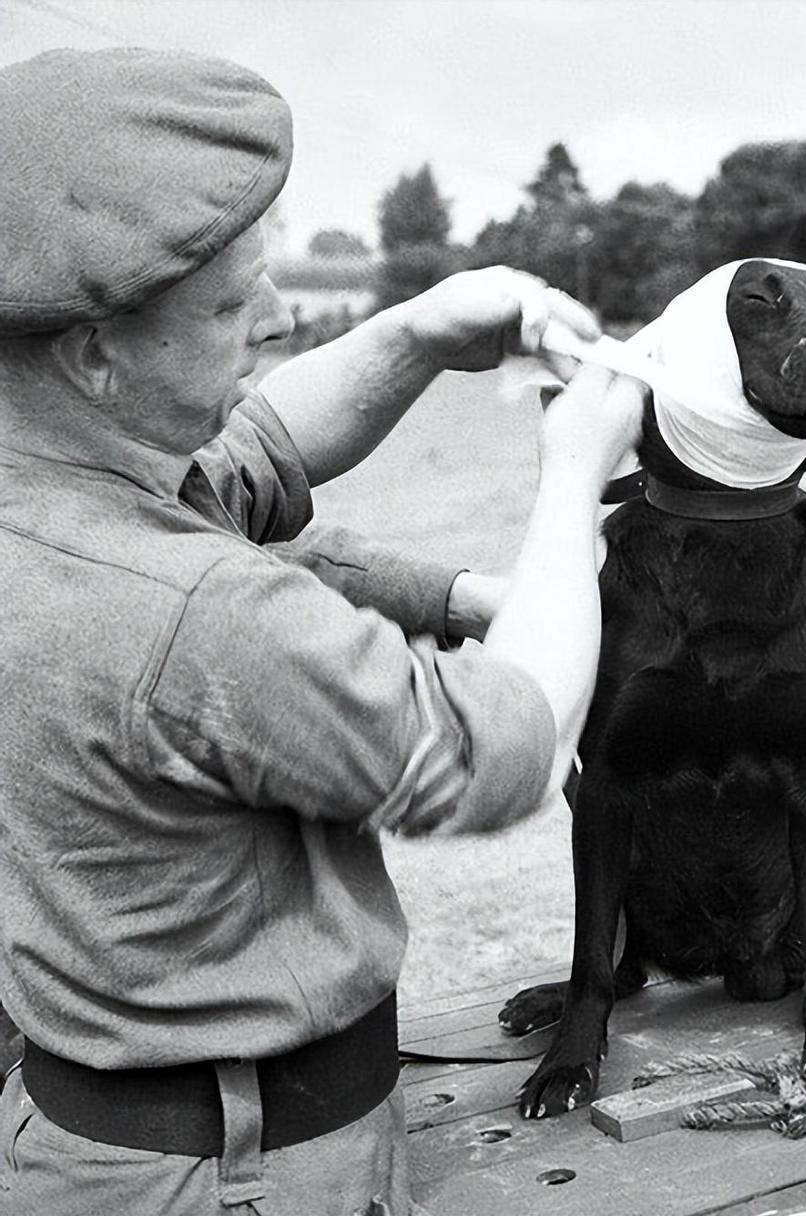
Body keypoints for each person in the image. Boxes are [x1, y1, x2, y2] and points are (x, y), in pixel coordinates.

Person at [0, 47, 643, 1216]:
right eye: (230, 301)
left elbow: (252, 455)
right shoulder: (185, 613)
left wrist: (418, 336)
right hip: (239, 1174)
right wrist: (570, 484)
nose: (278, 313)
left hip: (103, 1142)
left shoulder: (49, 485)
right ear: (92, 351)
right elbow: (510, 746)